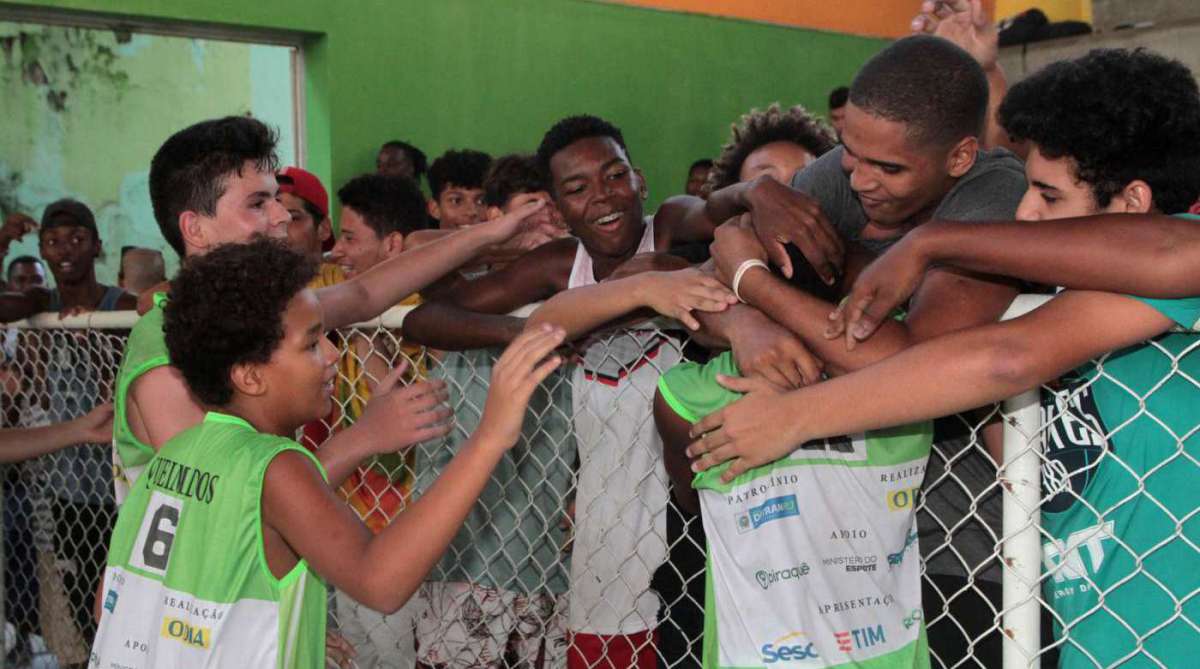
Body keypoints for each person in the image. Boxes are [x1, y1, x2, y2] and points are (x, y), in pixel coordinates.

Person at [689, 44, 1200, 669]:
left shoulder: (1174, 285)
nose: (1023, 212)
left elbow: (1002, 357)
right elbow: (989, 366)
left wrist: (932, 243)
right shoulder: (1090, 307)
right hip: (1094, 642)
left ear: (1133, 205)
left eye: (1047, 195)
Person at [90, 238, 567, 668]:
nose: (334, 356)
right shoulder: (274, 465)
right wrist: (488, 439)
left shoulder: (176, 454)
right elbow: (380, 582)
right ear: (250, 376)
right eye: (312, 343)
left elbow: (111, 600)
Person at [404, 114, 731, 669]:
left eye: (615, 176)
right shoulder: (563, 267)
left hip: (704, 513)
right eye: (577, 189)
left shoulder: (671, 227)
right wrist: (532, 333)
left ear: (640, 179)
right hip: (607, 537)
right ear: (557, 206)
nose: (603, 198)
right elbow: (424, 321)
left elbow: (721, 210)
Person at [111, 115, 543, 508]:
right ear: (195, 229)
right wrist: (363, 439)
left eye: (277, 200)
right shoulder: (165, 348)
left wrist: (491, 233)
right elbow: (224, 506)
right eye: (258, 204)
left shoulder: (252, 316)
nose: (281, 217)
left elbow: (365, 293)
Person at [317, 173, 433, 668]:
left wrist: (366, 337)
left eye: (349, 238)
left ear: (392, 245)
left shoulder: (415, 311)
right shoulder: (340, 288)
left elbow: (405, 399)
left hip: (401, 525)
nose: (337, 250)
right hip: (349, 518)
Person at [428, 149, 492, 231]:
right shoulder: (416, 242)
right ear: (435, 208)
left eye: (482, 201)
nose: (471, 212)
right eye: (456, 201)